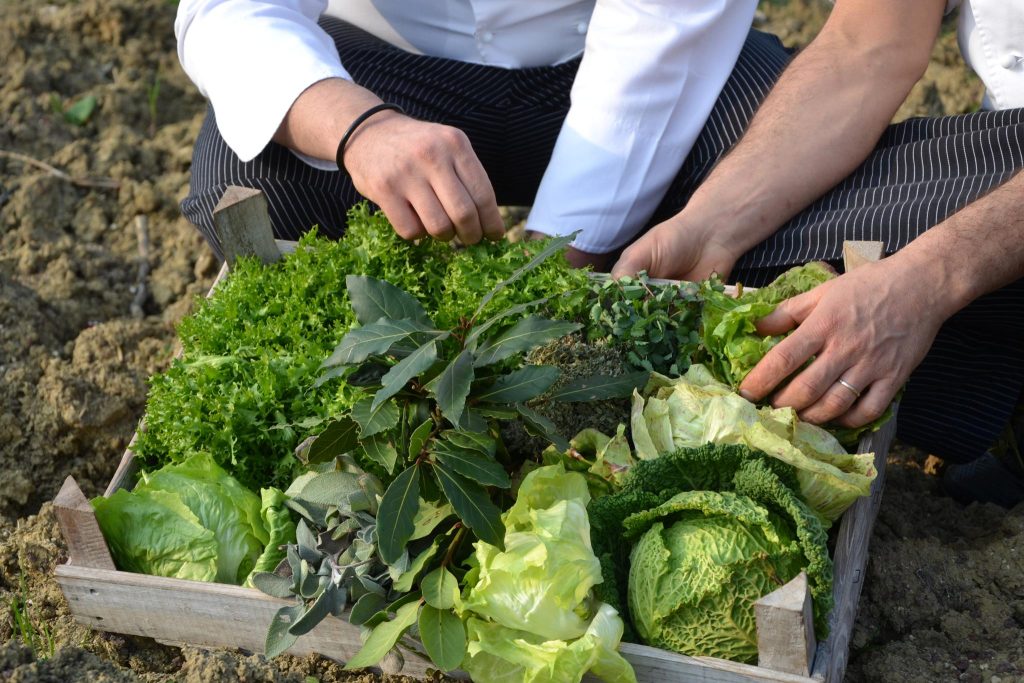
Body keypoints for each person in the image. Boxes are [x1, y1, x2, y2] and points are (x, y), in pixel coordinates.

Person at [613, 0, 1024, 507]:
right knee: (759, 260)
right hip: (1003, 143)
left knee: (855, 317)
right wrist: (711, 226)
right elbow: (864, 47)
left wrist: (927, 282)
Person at [174, 0, 770, 267]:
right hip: (394, 69)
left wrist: (549, 267)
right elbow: (227, 9)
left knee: (795, 155)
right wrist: (360, 127)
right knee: (248, 181)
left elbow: (667, 22)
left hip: (616, 57)